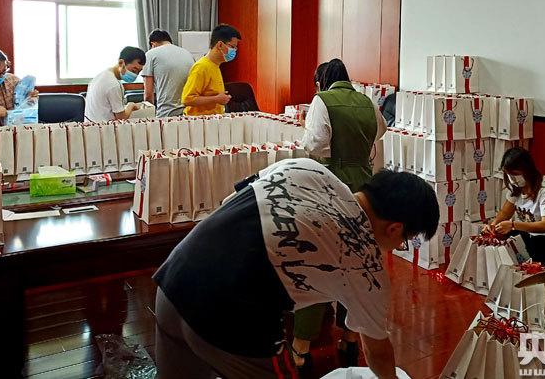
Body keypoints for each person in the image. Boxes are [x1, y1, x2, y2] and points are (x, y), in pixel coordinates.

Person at [153, 158, 439, 379]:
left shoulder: (307, 168)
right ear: (395, 228)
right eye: (404, 241)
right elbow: (377, 352)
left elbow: (229, 201)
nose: (397, 246)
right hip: (230, 316)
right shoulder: (367, 268)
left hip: (174, 277)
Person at [294, 59, 388, 371]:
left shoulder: (322, 100)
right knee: (356, 266)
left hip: (330, 188)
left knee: (319, 265)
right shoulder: (367, 102)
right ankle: (349, 339)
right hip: (364, 193)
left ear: (321, 80)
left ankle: (301, 347)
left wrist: (306, 135)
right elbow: (380, 131)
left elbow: (315, 144)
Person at [484, 147, 545, 268]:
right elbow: (505, 212)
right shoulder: (516, 188)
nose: (512, 180)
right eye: (509, 175)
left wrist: (513, 225)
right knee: (498, 236)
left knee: (533, 246)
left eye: (515, 175)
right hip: (531, 236)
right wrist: (493, 225)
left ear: (527, 171)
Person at [181, 24, 241, 116]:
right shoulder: (201, 67)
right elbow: (187, 99)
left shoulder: (215, 66)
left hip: (212, 120)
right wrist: (216, 99)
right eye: (232, 47)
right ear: (220, 45)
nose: (235, 51)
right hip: (199, 122)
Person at [141, 29, 195, 118]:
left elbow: (148, 94)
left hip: (166, 114)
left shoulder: (150, 54)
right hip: (189, 113)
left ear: (153, 44)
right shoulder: (187, 53)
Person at [85, 46, 146, 122]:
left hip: (90, 124)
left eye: (139, 72)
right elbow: (121, 117)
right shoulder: (114, 85)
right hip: (104, 127)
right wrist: (131, 105)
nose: (135, 75)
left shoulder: (100, 76)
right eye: (134, 70)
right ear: (121, 63)